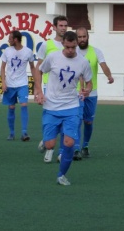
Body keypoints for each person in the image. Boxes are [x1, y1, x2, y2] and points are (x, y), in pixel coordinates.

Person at [34, 31, 92, 185]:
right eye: (68, 47)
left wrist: (87, 90)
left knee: (69, 143)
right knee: (50, 145)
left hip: (71, 107)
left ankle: (61, 175)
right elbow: (38, 70)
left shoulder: (83, 62)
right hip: (51, 106)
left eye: (73, 47)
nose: (71, 50)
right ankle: (46, 142)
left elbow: (89, 82)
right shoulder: (53, 57)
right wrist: (39, 91)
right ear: (63, 44)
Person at [74, 27, 114, 160]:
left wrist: (109, 76)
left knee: (88, 122)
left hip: (92, 93)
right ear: (76, 38)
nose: (82, 39)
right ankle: (76, 148)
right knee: (77, 120)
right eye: (79, 37)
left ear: (88, 37)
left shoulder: (96, 52)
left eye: (84, 36)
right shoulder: (72, 52)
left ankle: (85, 146)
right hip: (75, 93)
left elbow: (103, 65)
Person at [36, 15, 68, 163]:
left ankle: (61, 152)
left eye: (65, 25)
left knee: (64, 121)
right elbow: (39, 68)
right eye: (60, 25)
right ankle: (49, 147)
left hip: (66, 90)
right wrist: (38, 90)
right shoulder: (46, 45)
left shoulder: (70, 45)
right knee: (49, 120)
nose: (63, 28)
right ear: (54, 27)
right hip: (49, 88)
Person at [0, 30, 36, 141]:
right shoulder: (7, 51)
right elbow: (2, 67)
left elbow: (32, 67)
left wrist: (36, 84)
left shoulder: (28, 52)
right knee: (11, 107)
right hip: (10, 84)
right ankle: (11, 133)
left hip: (22, 84)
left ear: (15, 39)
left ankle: (24, 133)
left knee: (24, 104)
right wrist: (3, 82)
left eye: (10, 38)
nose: (8, 40)